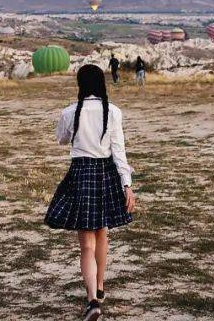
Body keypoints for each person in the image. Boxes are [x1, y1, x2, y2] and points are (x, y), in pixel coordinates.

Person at [45, 64, 135, 321]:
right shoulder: (114, 112)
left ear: (81, 85)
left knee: (86, 244)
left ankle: (92, 301)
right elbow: (119, 152)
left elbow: (61, 139)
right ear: (102, 84)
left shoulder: (70, 112)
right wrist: (126, 185)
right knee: (102, 233)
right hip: (106, 173)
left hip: (81, 174)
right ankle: (100, 286)